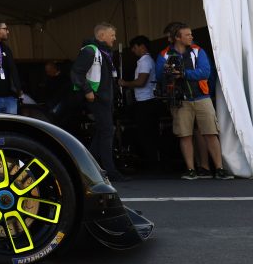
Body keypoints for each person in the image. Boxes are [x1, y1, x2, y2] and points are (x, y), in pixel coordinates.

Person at [155, 24, 233, 180]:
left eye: (191, 34)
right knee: (185, 135)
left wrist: (183, 74)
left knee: (211, 133)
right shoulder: (164, 54)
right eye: (187, 34)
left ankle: (219, 168)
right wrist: (168, 73)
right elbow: (159, 76)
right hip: (179, 99)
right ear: (178, 37)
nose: (191, 37)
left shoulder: (198, 51)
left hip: (202, 97)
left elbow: (205, 71)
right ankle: (191, 169)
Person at [70, 22, 128, 181]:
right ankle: (109, 171)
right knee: (107, 131)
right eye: (112, 35)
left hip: (105, 98)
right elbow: (76, 73)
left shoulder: (104, 52)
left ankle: (87, 169)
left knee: (103, 131)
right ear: (102, 35)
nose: (115, 38)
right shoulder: (90, 51)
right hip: (97, 98)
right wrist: (88, 91)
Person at [119, 35, 159, 171]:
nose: (133, 51)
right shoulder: (146, 60)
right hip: (147, 101)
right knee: (148, 133)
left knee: (146, 133)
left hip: (145, 102)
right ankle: (152, 162)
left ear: (141, 46)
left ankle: (152, 164)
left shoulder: (145, 61)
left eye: (134, 48)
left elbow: (141, 82)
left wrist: (125, 83)